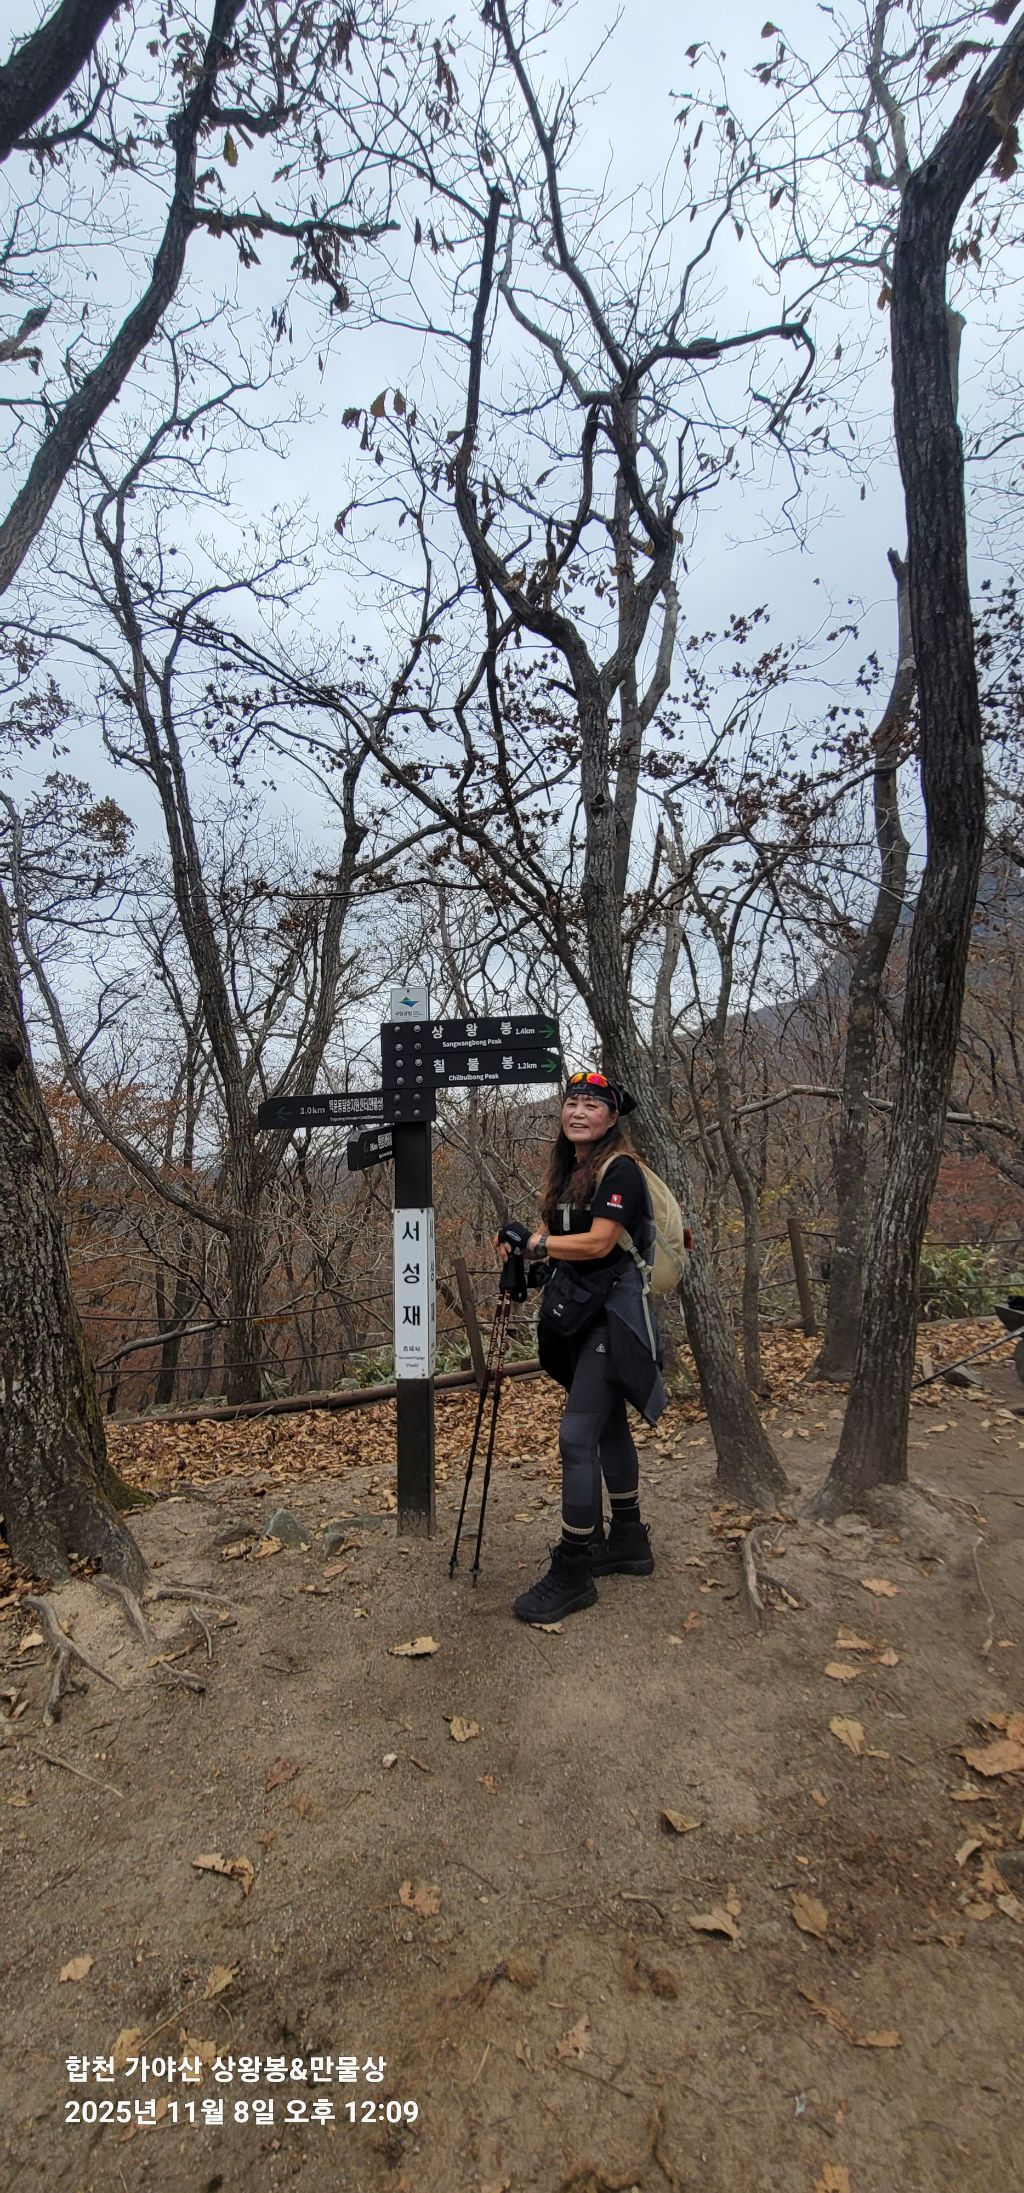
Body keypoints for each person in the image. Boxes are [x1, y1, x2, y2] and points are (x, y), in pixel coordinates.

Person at [495, 1069, 668, 1624]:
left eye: (592, 1105)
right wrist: (527, 1256)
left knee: (576, 1437)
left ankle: (574, 1568)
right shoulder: (570, 1171)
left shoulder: (622, 1170)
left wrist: (538, 1241)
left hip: (612, 1319)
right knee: (607, 1425)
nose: (578, 1111)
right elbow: (569, 1247)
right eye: (572, 1102)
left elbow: (598, 1243)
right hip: (581, 1314)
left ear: (612, 1117)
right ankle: (629, 1538)